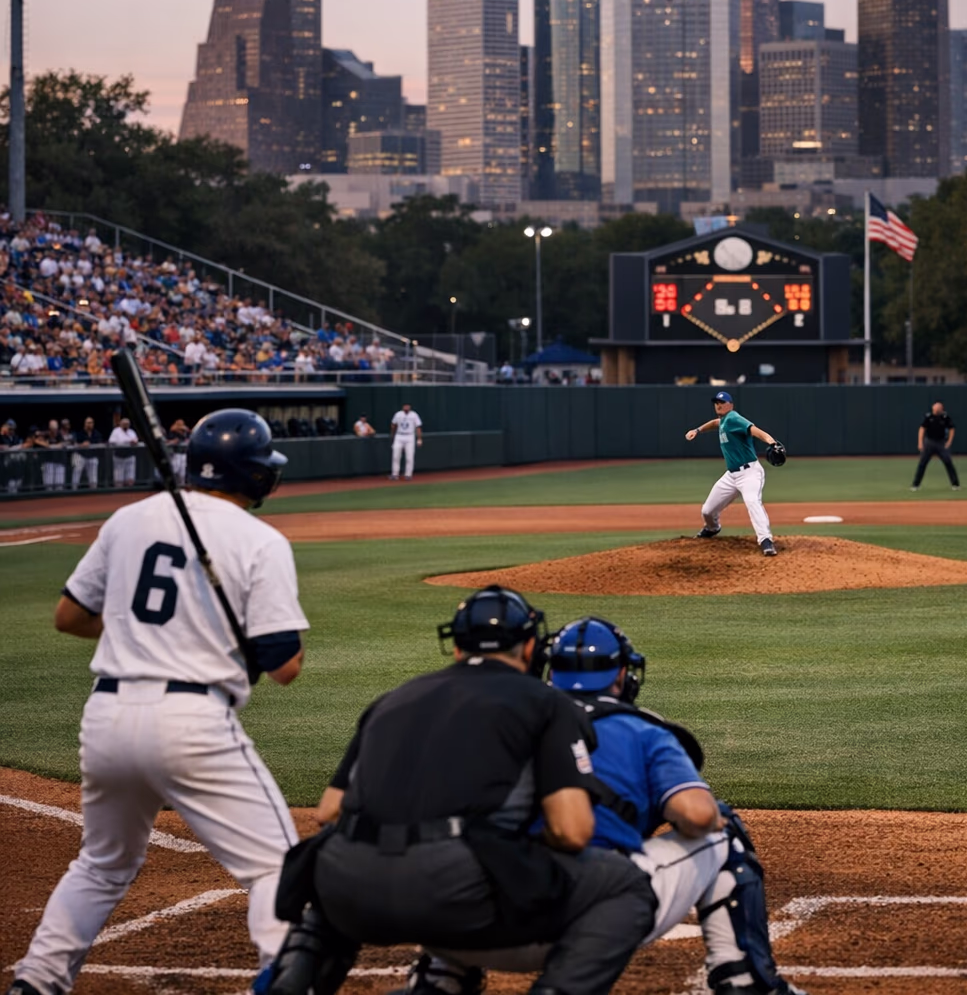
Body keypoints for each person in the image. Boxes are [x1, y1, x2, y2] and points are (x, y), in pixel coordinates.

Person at [6, 409, 309, 995]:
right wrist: (215, 636)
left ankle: (36, 983)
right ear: (254, 477)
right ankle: (282, 981)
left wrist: (145, 633)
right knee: (279, 868)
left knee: (101, 863)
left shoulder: (128, 519)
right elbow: (286, 668)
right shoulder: (259, 540)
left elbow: (69, 616)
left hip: (107, 716)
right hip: (192, 724)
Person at [265, 586, 657, 995]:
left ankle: (297, 977)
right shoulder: (545, 702)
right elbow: (572, 830)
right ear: (528, 648)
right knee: (624, 885)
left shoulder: (393, 699)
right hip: (452, 893)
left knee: (340, 850)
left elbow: (329, 811)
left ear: (455, 648)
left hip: (347, 893)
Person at [417, 617, 806, 995]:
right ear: (622, 675)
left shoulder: (499, 722)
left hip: (460, 925)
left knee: (466, 840)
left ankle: (437, 980)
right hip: (580, 923)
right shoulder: (645, 731)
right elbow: (697, 814)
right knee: (724, 831)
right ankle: (745, 981)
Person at [686, 391, 783, 557]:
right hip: (731, 476)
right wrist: (698, 429)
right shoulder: (724, 421)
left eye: (722, 402)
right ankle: (712, 528)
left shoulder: (733, 418)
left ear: (730, 404)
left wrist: (772, 442)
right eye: (716, 402)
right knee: (707, 511)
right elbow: (715, 423)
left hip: (750, 473)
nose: (718, 405)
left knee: (753, 502)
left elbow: (754, 430)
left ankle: (766, 540)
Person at [912, 401, 960, 490]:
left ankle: (955, 484)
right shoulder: (928, 417)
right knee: (922, 463)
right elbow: (922, 429)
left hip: (941, 443)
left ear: (941, 409)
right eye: (935, 409)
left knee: (948, 462)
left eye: (938, 409)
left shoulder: (945, 417)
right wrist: (920, 442)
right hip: (929, 442)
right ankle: (915, 485)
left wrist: (949, 441)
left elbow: (952, 429)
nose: (936, 411)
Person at [390, 401, 423, 480]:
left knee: (409, 457)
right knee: (396, 456)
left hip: (409, 436)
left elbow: (418, 427)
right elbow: (393, 425)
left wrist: (419, 438)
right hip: (399, 435)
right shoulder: (398, 414)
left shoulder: (414, 415)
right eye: (405, 406)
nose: (406, 407)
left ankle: (408, 475)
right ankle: (395, 474)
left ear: (410, 407)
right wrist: (393, 436)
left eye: (407, 406)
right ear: (402, 407)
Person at [108, 415, 140, 487]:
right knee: (119, 477)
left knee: (130, 476)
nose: (126, 425)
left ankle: (130, 491)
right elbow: (111, 441)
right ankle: (119, 493)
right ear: (120, 424)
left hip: (130, 455)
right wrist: (127, 441)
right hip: (119, 456)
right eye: (124, 424)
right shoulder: (116, 431)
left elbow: (136, 440)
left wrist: (134, 442)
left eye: (127, 424)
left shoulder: (131, 432)